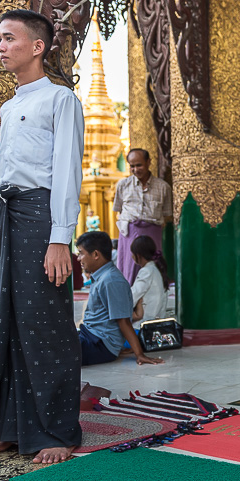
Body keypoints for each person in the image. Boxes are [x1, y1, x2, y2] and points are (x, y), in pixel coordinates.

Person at [0, 10, 85, 465]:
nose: (0, 46)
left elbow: (66, 173)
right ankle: (13, 426)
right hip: (7, 213)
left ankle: (58, 430)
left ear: (37, 46)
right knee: (11, 321)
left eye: (9, 38)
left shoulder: (61, 101)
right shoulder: (9, 105)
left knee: (46, 322)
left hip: (41, 216)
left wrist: (60, 238)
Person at [75, 231, 164, 366]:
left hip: (100, 344)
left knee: (55, 350)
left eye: (81, 253)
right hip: (92, 336)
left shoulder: (111, 280)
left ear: (96, 255)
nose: (78, 258)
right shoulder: (101, 276)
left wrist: (139, 354)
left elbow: (123, 321)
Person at [112, 148, 173, 284]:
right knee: (130, 268)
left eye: (139, 165)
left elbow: (167, 214)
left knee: (153, 268)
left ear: (148, 162)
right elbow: (119, 210)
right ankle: (130, 301)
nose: (135, 169)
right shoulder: (123, 185)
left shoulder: (163, 187)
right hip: (129, 232)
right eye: (132, 166)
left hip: (153, 232)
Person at [130, 235, 171, 329]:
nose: (132, 257)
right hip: (155, 324)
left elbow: (132, 297)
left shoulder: (146, 271)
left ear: (138, 255)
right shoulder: (156, 269)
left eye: (132, 253)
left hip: (143, 326)